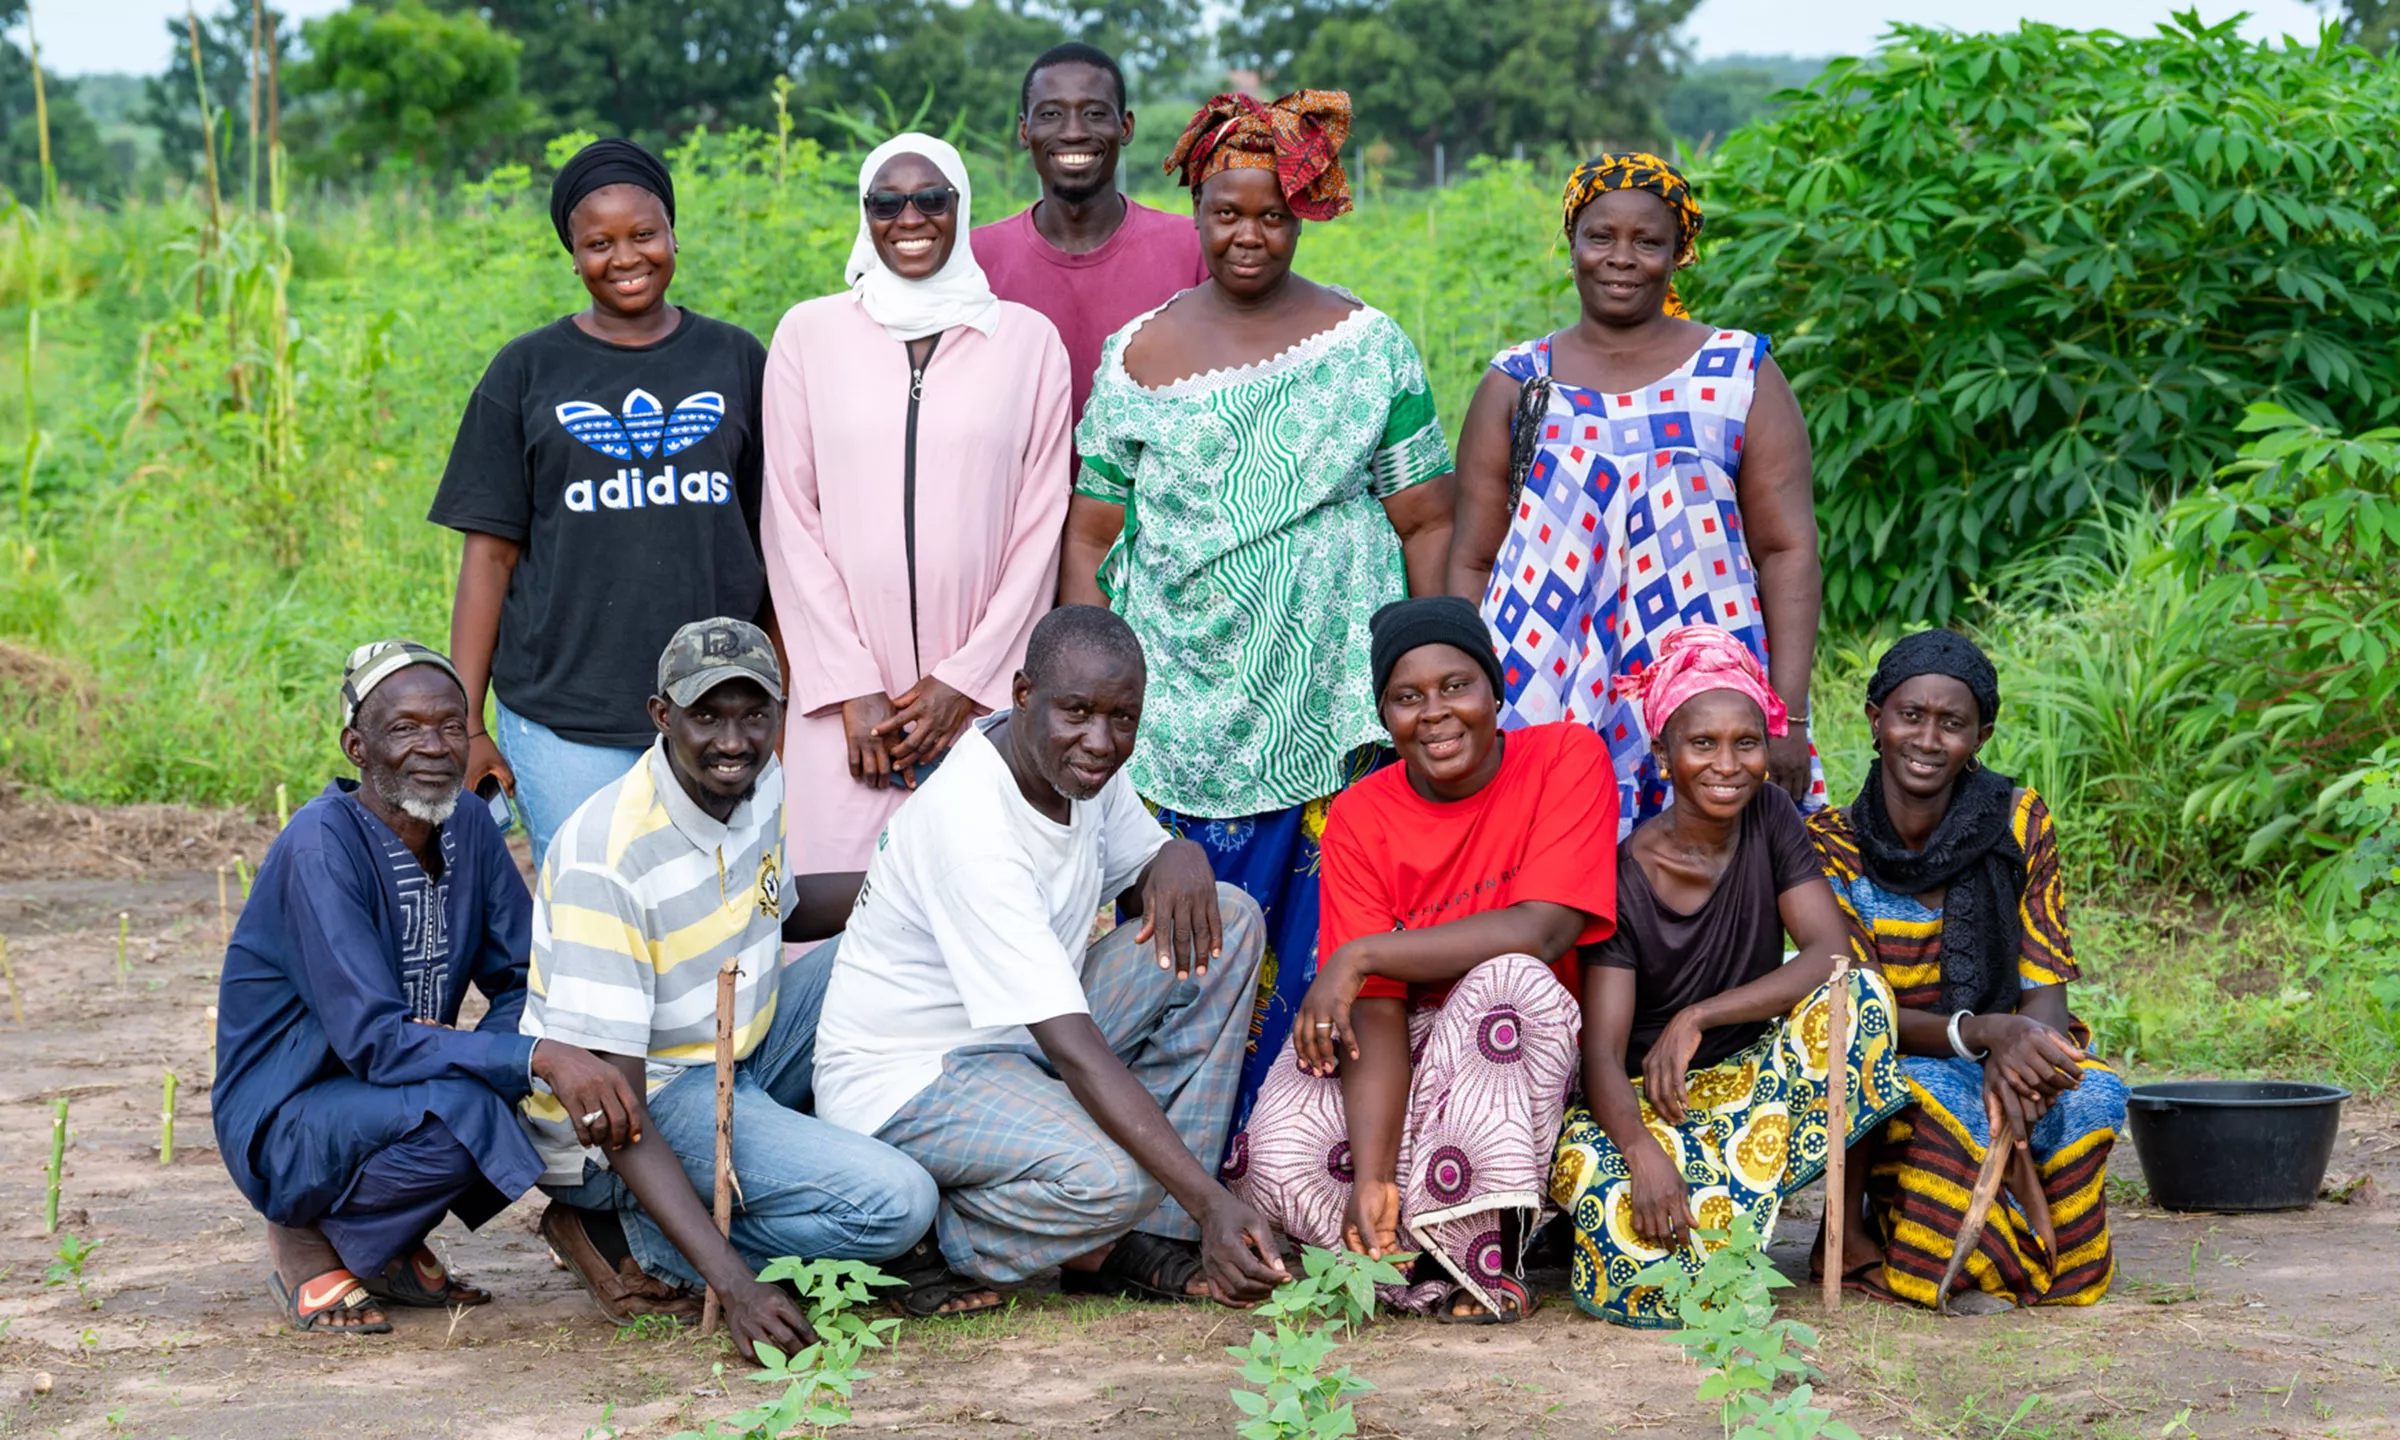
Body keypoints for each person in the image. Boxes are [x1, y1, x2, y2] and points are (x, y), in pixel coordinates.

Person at [1062, 90, 1456, 1132]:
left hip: (1326, 696)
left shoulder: (1367, 346)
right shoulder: (1137, 353)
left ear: (1305, 211)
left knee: (1322, 934)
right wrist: (1074, 680)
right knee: (1177, 937)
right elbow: (1094, 535)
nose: (1248, 234)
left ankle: (1300, 1158)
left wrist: (1430, 676)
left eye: (1271, 213)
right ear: (1193, 207)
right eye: (1226, 212)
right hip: (1178, 700)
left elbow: (1425, 519)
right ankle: (1175, 1165)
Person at [812, 605, 1291, 1311]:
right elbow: (1074, 1050)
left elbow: (1145, 868)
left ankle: (1142, 1240)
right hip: (913, 1078)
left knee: (1225, 919)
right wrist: (1211, 1201)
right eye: (1077, 712)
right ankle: (924, 1241)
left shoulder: (1074, 768)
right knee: (1115, 1178)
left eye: (1122, 717)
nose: (1100, 741)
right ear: (1022, 694)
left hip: (1014, 1043)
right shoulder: (973, 826)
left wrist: (1177, 851)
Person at [520, 619, 940, 1359]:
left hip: (746, 1035)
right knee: (897, 1205)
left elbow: (775, 905)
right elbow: (619, 1114)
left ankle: (784, 1169)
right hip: (647, 1096)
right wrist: (737, 1285)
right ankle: (634, 1238)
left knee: (905, 943)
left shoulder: (761, 778)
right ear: (661, 716)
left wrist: (927, 886)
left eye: (754, 713)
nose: (733, 739)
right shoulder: (609, 857)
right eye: (706, 715)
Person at [213, 641, 637, 1335]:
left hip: (392, 1088)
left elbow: (523, 976)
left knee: (498, 1091)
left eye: (449, 725)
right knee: (473, 1102)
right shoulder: (320, 846)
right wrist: (526, 1058)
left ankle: (383, 1246)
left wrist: (500, 1054)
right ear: (357, 746)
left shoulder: (467, 822)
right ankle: (306, 1240)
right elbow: (375, 1043)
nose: (435, 746)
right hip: (288, 1114)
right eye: (405, 728)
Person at [1228, 597, 1614, 1322]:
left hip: (1522, 1049)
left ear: (1495, 691)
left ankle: (1480, 1264)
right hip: (1407, 1037)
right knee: (1277, 1149)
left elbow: (1544, 930)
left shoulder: (1565, 756)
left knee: (1506, 983)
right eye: (1407, 698)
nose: (1434, 713)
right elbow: (1376, 1002)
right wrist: (1371, 1173)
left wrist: (1362, 952)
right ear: (1385, 718)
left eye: (1455, 687)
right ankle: (1398, 1257)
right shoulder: (1360, 815)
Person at [1444, 152, 1825, 837]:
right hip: (1541, 677)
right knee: (1549, 870)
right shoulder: (1520, 380)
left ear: (1680, 253)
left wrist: (1787, 715)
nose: (1622, 258)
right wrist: (1475, 699)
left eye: (1648, 241)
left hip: (1706, 688)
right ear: (1571, 245)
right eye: (1600, 238)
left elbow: (1787, 548)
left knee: (1712, 870)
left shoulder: (1738, 372)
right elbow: (1473, 559)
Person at [1551, 626, 1908, 1328]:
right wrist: (1643, 1153)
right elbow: (1599, 1057)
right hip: (1652, 1104)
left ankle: (1735, 1212)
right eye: (1702, 744)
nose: (1728, 764)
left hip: (1750, 1087)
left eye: (1746, 743)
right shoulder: (1625, 873)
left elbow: (1828, 954)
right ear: (1663, 755)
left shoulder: (1771, 817)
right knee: (1621, 1206)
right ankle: (1718, 1211)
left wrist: (1699, 1017)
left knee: (1860, 999)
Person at [431, 139, 772, 866]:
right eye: (598, 243)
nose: (625, 257)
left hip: (721, 713)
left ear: (674, 233)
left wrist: (782, 693)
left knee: (714, 909)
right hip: (564, 720)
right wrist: (467, 723)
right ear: (573, 254)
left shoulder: (737, 360)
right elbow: (489, 557)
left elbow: (771, 537)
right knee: (590, 912)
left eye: (643, 234)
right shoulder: (526, 371)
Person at [762, 132, 1073, 873]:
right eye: (887, 202)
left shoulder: (1027, 344)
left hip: (982, 701)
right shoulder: (809, 335)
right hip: (843, 713)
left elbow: (1040, 534)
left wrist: (963, 685)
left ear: (959, 209)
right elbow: (789, 521)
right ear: (864, 213)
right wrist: (851, 688)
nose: (910, 218)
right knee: (827, 920)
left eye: (931, 199)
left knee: (982, 904)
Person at [1808, 629, 2128, 1313]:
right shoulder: (1832, 844)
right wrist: (1982, 1036)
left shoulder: (2019, 821)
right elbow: (1861, 1011)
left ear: (1980, 736)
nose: (1927, 739)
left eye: (1952, 723)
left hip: (2010, 1042)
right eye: (1909, 716)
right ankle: (1956, 1261)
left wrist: (2026, 1065)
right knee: (1954, 1114)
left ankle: (2046, 1258)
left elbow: (2044, 985)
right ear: (1875, 720)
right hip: (1895, 1056)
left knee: (2092, 1095)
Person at [973, 42, 1209, 430]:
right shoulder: (976, 258)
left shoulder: (1192, 248)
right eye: (1050, 114)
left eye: (1095, 113)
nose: (1074, 132)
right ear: (1024, 129)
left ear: (1125, 126)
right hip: (1015, 493)